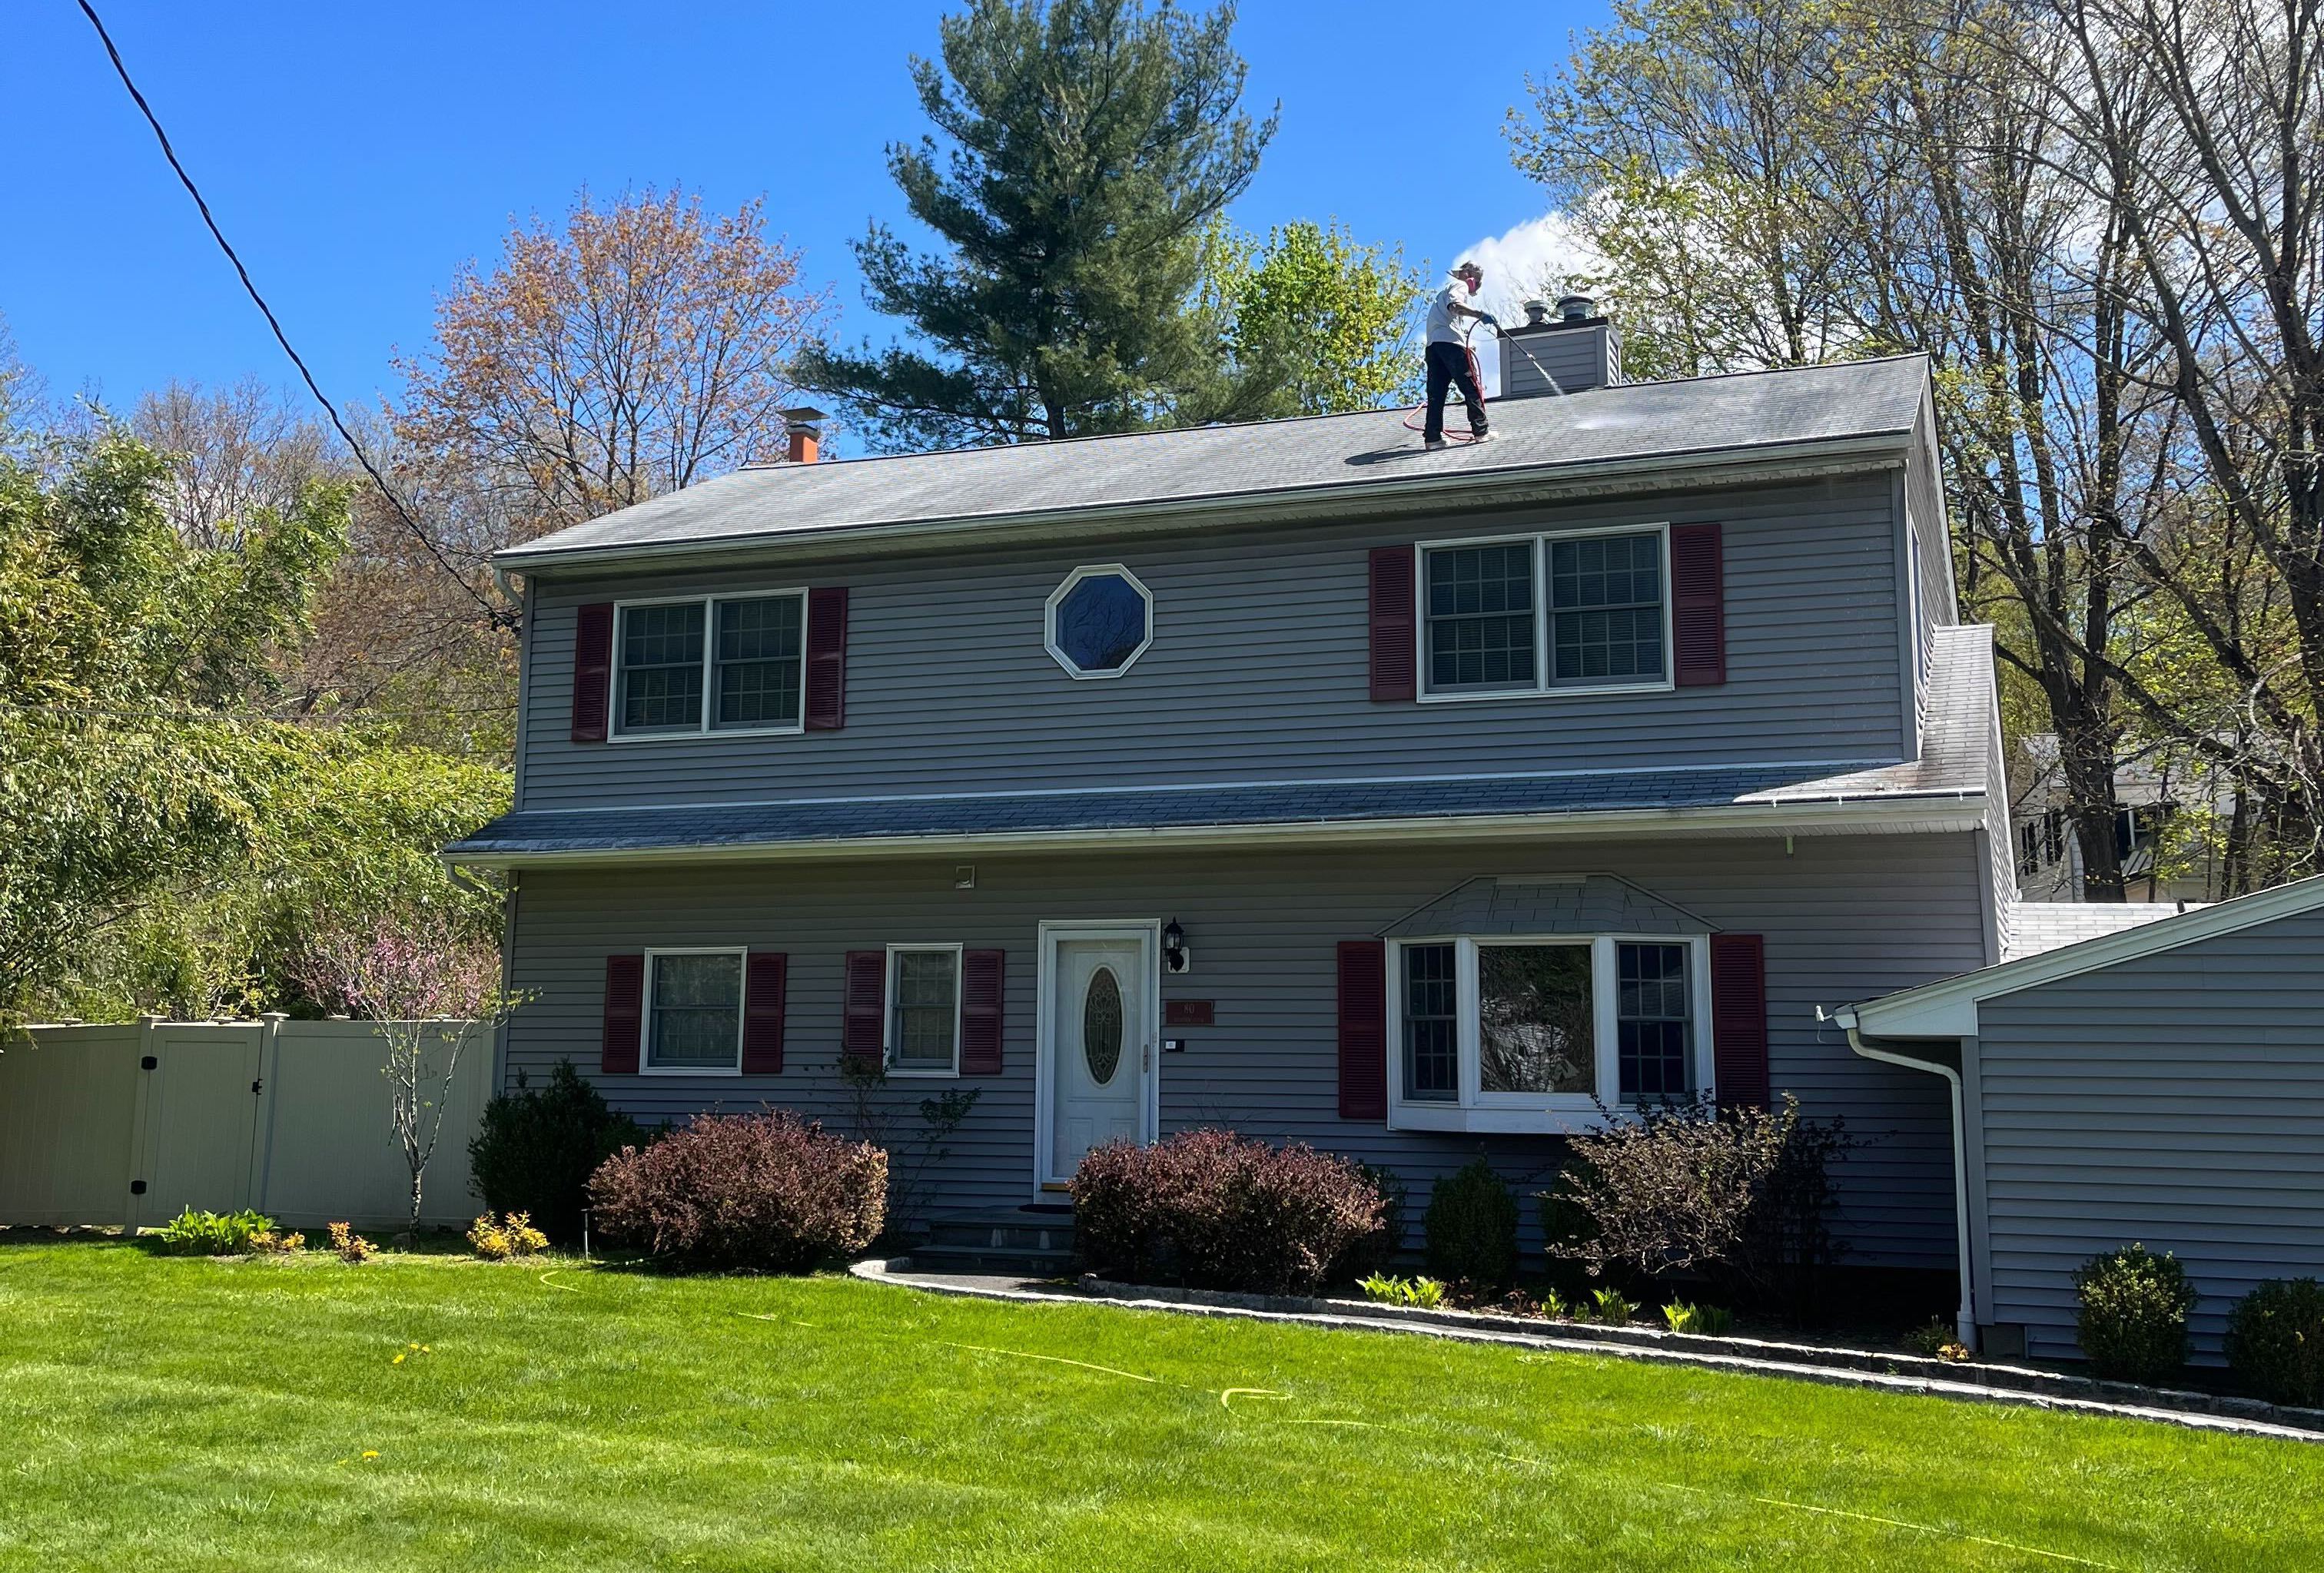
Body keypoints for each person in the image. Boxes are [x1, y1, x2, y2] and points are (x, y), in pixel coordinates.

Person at [1423, 261, 1495, 448]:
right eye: (1477, 281)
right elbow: (1455, 306)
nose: (1477, 286)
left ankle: (1432, 438)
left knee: (1436, 394)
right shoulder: (1459, 286)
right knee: (1471, 387)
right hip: (1451, 345)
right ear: (1468, 276)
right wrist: (1479, 314)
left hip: (1434, 347)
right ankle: (1481, 432)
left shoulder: (1442, 293)